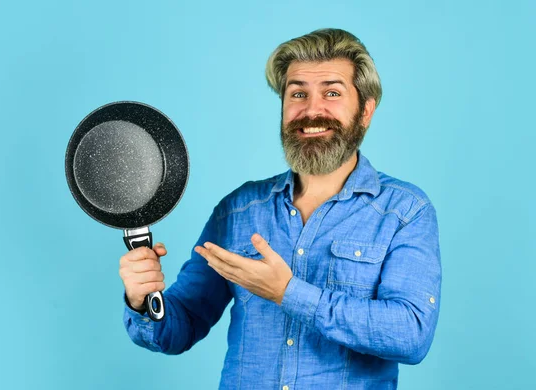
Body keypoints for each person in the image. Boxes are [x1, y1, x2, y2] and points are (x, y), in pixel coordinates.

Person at [119, 28, 442, 389]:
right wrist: (142, 298)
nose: (312, 110)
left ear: (365, 111)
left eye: (332, 93)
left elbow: (411, 335)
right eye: (297, 93)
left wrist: (289, 293)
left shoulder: (405, 211)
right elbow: (182, 326)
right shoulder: (239, 210)